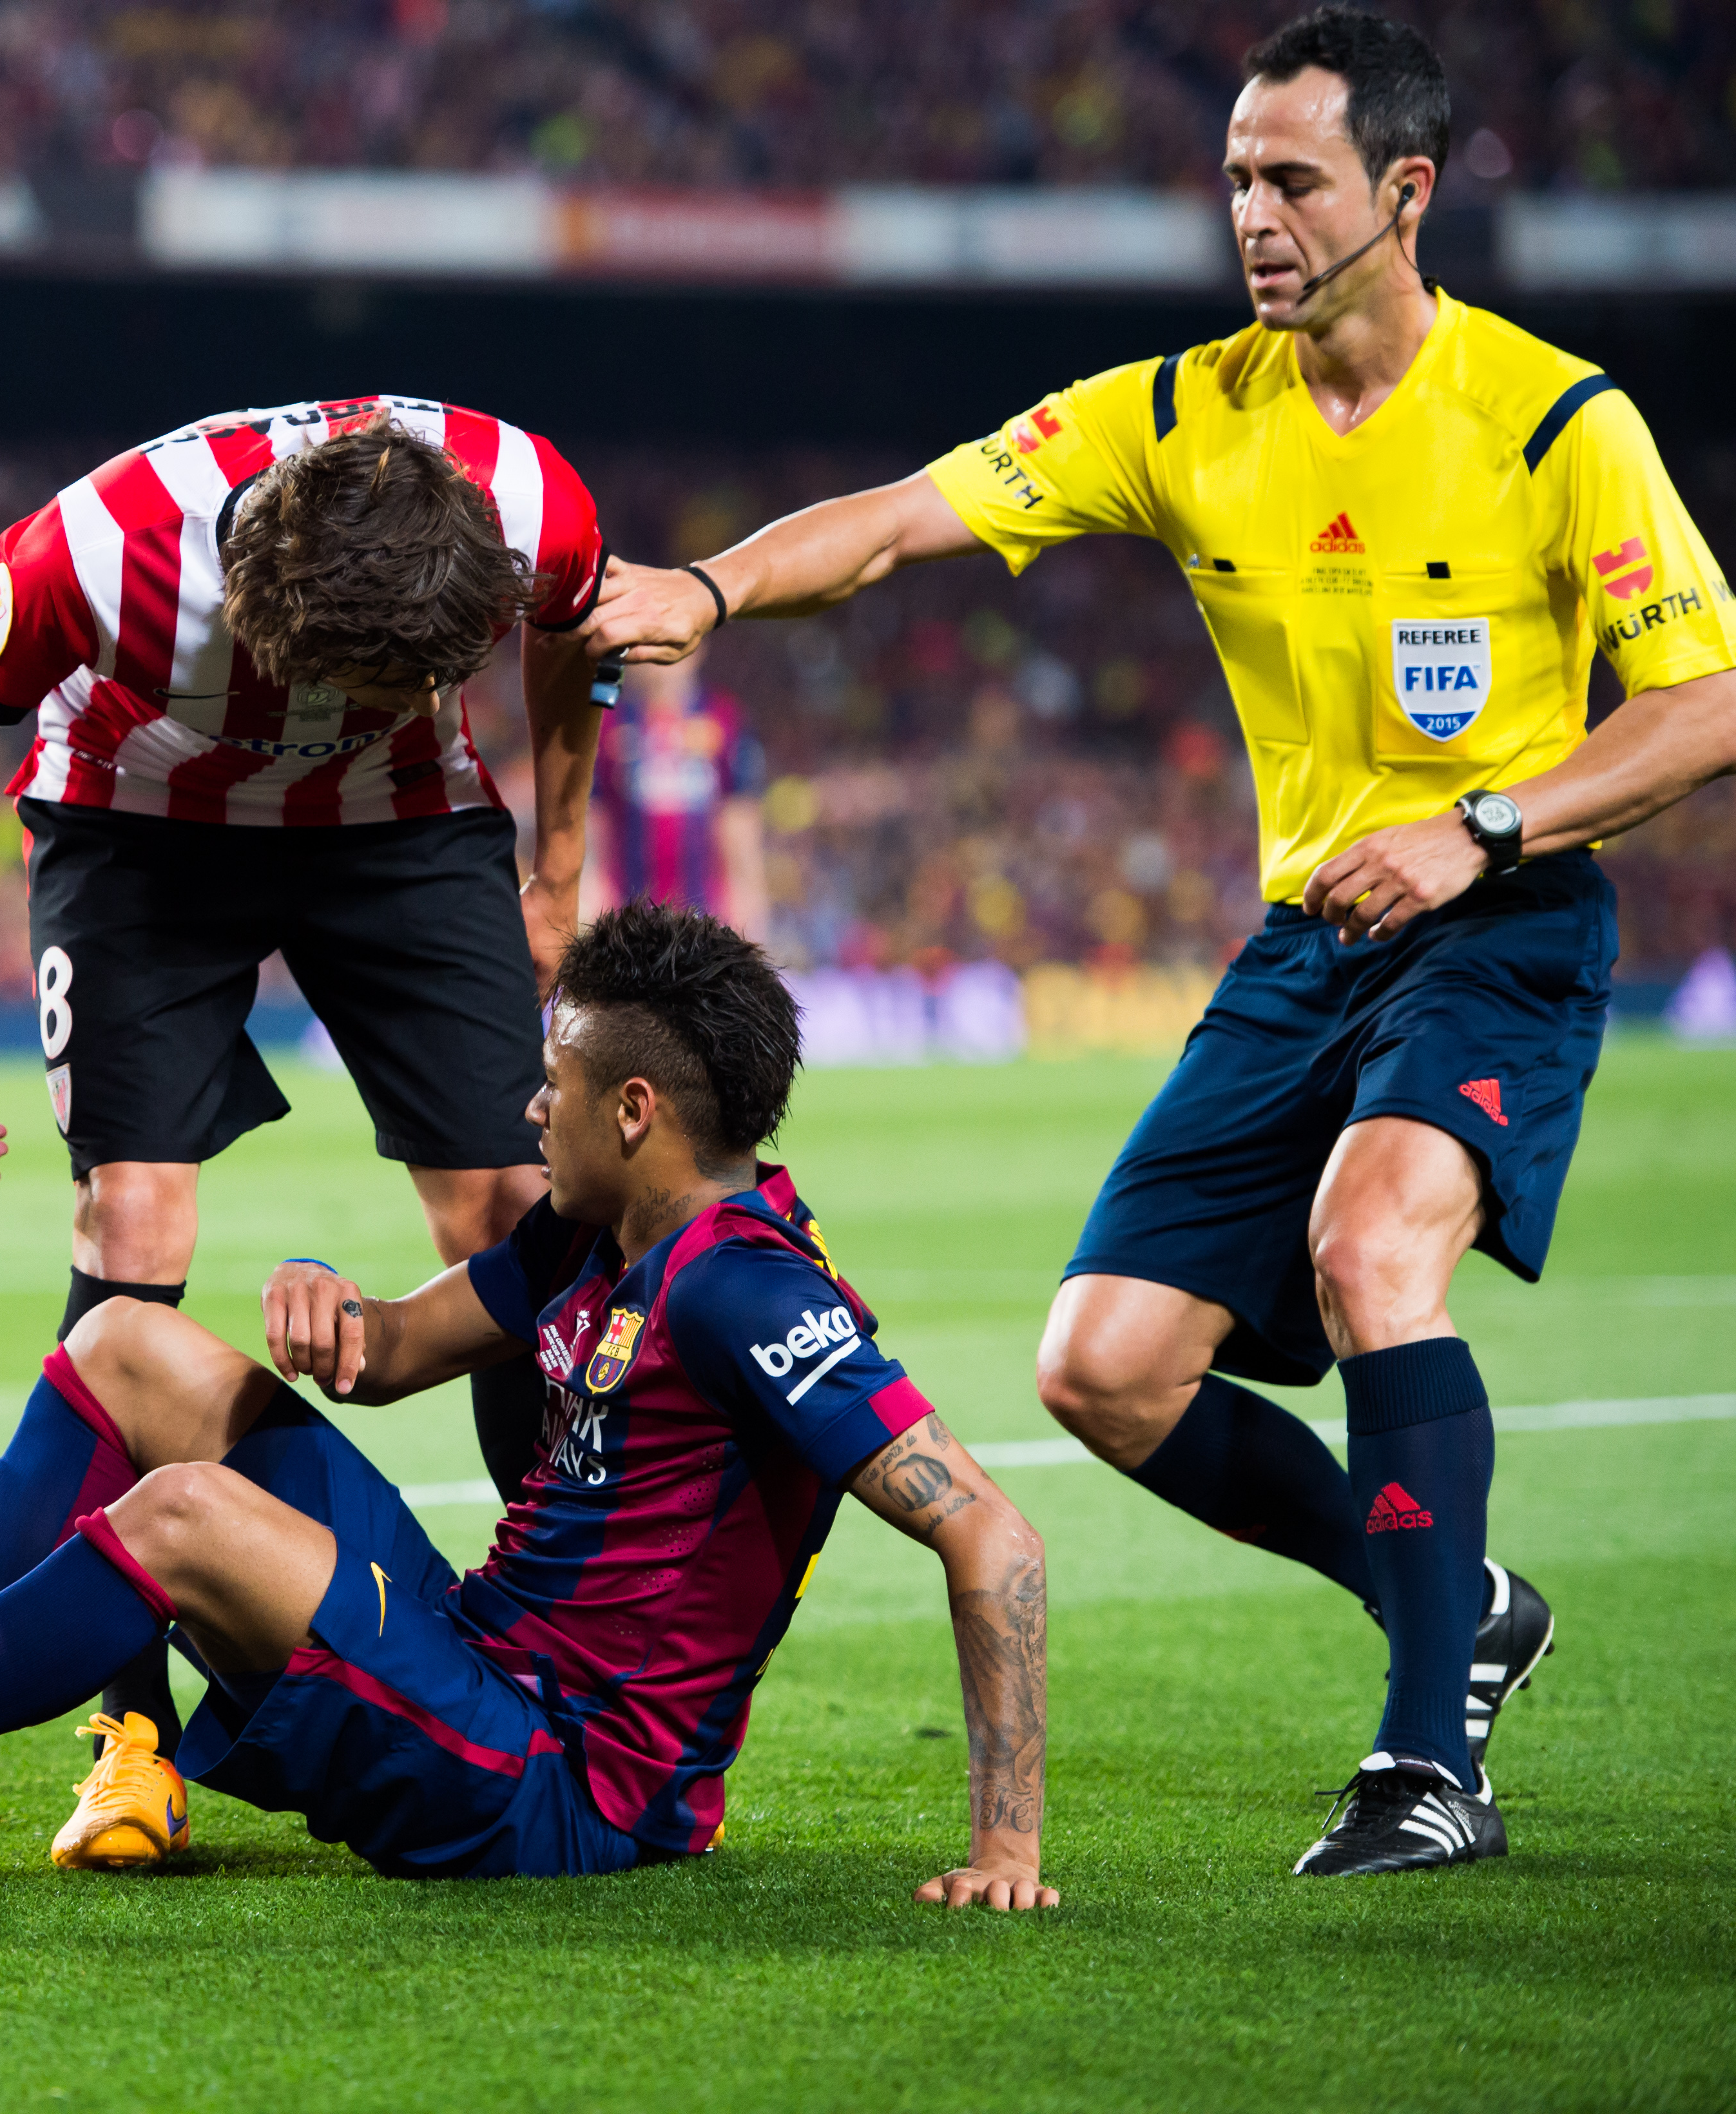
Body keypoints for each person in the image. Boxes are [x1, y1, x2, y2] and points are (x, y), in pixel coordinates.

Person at [583, 8, 1736, 1876]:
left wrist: (1483, 828)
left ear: (1407, 193)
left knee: (1376, 1251)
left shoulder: (1552, 423)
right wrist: (712, 588)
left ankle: (1427, 1764)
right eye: (1233, 182)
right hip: (1305, 945)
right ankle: (1461, 1605)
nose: (1254, 217)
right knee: (1101, 1368)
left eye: (1292, 179)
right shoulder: (1185, 417)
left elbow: (1708, 700)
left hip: (1503, 917)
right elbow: (901, 520)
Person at [0, 903, 1058, 1909]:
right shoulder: (591, 1235)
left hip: (568, 1784)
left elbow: (993, 1532)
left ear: (635, 1108)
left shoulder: (748, 1287)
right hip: (482, 1657)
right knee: (130, 1342)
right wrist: (328, 1298)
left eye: (557, 1080)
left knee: (178, 1518)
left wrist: (1006, 1850)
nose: (531, 1103)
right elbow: (385, 1347)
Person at [0, 396, 610, 1861]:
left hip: (405, 832)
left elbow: (576, 628)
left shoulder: (528, 495)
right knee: (135, 1230)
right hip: (139, 828)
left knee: (516, 1216)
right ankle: (130, 1740)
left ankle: (566, 1665)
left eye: (424, 673)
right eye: (366, 679)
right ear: (265, 635)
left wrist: (560, 869)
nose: (391, 692)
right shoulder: (99, 555)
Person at [594, 655, 769, 936]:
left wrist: (750, 902)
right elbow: (593, 821)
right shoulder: (608, 721)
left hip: (708, 918)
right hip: (626, 919)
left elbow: (740, 818)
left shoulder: (724, 716)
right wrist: (592, 895)